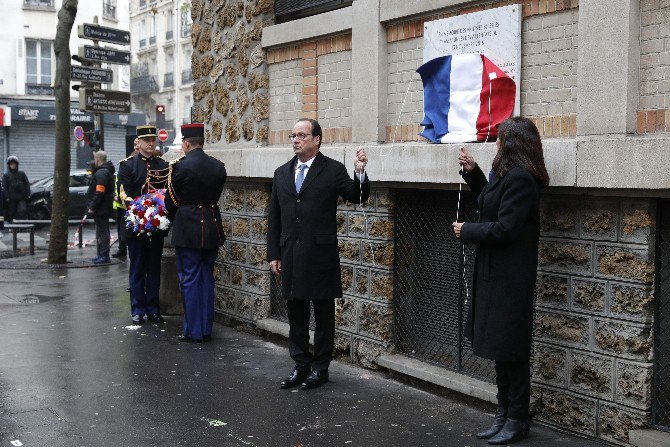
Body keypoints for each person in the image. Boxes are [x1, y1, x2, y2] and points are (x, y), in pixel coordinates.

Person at [452, 117, 549, 445]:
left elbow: (506, 227)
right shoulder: (507, 176)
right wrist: (473, 171)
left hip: (511, 278)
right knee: (498, 348)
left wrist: (468, 231)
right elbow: (489, 201)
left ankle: (518, 418)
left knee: (512, 351)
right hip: (494, 274)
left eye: (500, 139)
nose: (496, 143)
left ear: (512, 144)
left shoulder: (522, 179)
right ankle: (502, 413)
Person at [267, 118, 370, 390]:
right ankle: (300, 365)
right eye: (293, 135)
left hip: (320, 254)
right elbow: (274, 217)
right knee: (296, 313)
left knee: (323, 314)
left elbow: (357, 196)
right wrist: (273, 254)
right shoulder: (281, 173)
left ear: (317, 140)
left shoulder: (332, 170)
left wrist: (359, 171)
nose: (295, 140)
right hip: (290, 254)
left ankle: (320, 368)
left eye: (302, 135)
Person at [165, 123, 227, 343]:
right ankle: (206, 329)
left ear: (186, 143)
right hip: (211, 227)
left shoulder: (179, 167)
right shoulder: (218, 167)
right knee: (207, 278)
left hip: (188, 228)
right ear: (203, 142)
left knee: (189, 278)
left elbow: (171, 202)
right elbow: (216, 195)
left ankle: (193, 331)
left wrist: (177, 217)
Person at [118, 126, 169, 325]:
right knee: (138, 268)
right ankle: (138, 309)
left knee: (154, 268)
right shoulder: (127, 166)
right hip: (136, 225)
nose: (150, 143)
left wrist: (157, 210)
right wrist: (140, 210)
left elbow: (166, 192)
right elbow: (123, 194)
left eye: (152, 140)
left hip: (156, 226)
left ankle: (153, 309)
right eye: (146, 140)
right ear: (137, 143)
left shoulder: (162, 164)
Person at [112, 136, 139, 258]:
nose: (136, 146)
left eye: (138, 143)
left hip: (132, 206)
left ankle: (123, 247)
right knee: (122, 230)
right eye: (134, 144)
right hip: (122, 204)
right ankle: (122, 247)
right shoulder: (126, 164)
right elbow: (120, 184)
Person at [86, 151, 115, 264]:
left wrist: (92, 207)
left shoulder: (101, 173)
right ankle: (101, 255)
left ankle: (104, 255)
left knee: (103, 231)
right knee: (103, 230)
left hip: (101, 208)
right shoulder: (104, 172)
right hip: (104, 206)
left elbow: (99, 192)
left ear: (97, 159)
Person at [2, 156, 30, 222]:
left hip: (21, 198)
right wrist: (7, 197)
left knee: (22, 210)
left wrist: (28, 194)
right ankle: (13, 228)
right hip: (11, 199)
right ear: (9, 165)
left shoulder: (22, 174)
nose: (13, 165)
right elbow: (4, 187)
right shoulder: (6, 176)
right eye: (11, 164)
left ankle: (22, 227)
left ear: (16, 165)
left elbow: (27, 184)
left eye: (14, 164)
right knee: (12, 213)